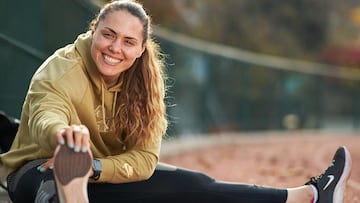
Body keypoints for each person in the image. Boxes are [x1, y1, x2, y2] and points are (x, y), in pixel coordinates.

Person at [0, 0, 352, 203]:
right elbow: (48, 113)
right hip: (36, 170)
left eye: (127, 41)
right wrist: (66, 137)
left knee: (193, 185)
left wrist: (93, 168)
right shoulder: (61, 71)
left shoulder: (144, 85)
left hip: (101, 174)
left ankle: (305, 196)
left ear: (140, 50)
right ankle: (68, 185)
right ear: (94, 31)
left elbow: (144, 159)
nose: (114, 48)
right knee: (53, 187)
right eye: (107, 35)